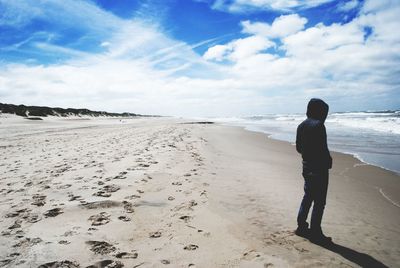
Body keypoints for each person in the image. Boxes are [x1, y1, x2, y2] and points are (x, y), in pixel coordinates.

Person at [295, 98, 332, 243]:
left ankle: (301, 227)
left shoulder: (301, 126)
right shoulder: (319, 126)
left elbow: (299, 148)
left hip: (307, 165)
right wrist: (328, 160)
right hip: (319, 168)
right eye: (325, 112)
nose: (326, 116)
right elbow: (323, 148)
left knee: (308, 196)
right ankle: (316, 232)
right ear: (319, 111)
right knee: (319, 201)